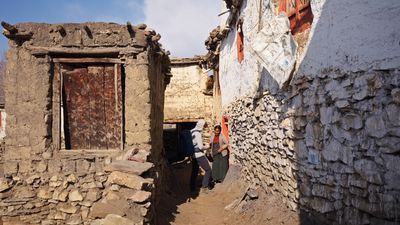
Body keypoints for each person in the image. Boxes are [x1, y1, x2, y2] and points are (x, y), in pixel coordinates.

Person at [191, 119, 213, 193]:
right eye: (203, 126)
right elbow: (200, 147)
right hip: (199, 155)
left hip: (193, 155)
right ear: (201, 125)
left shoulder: (192, 131)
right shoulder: (197, 133)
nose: (204, 128)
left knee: (194, 171)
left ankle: (192, 188)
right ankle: (205, 187)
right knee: (208, 170)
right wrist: (207, 146)